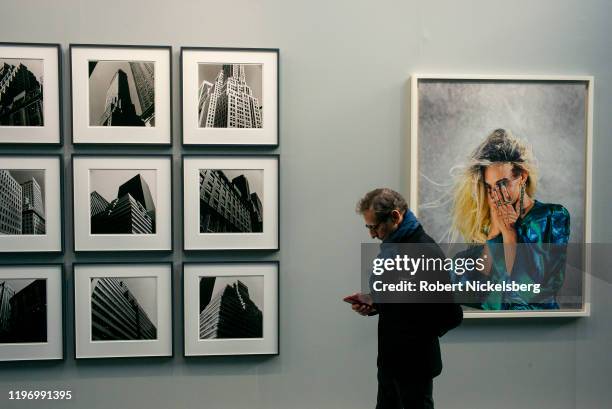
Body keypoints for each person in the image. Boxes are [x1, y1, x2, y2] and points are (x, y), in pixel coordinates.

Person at [348, 188, 463, 409]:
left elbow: (451, 314)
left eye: (374, 227)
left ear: (395, 216)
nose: (372, 234)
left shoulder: (424, 251)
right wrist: (374, 302)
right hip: (390, 361)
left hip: (414, 364)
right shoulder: (393, 247)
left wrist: (413, 332)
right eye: (368, 227)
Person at [450, 128, 571, 310]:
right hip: (496, 330)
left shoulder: (552, 217)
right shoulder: (488, 226)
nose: (497, 194)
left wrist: (509, 234)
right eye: (490, 187)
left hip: (540, 329)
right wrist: (494, 235)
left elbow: (526, 291)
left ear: (522, 176)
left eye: (502, 183)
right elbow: (468, 290)